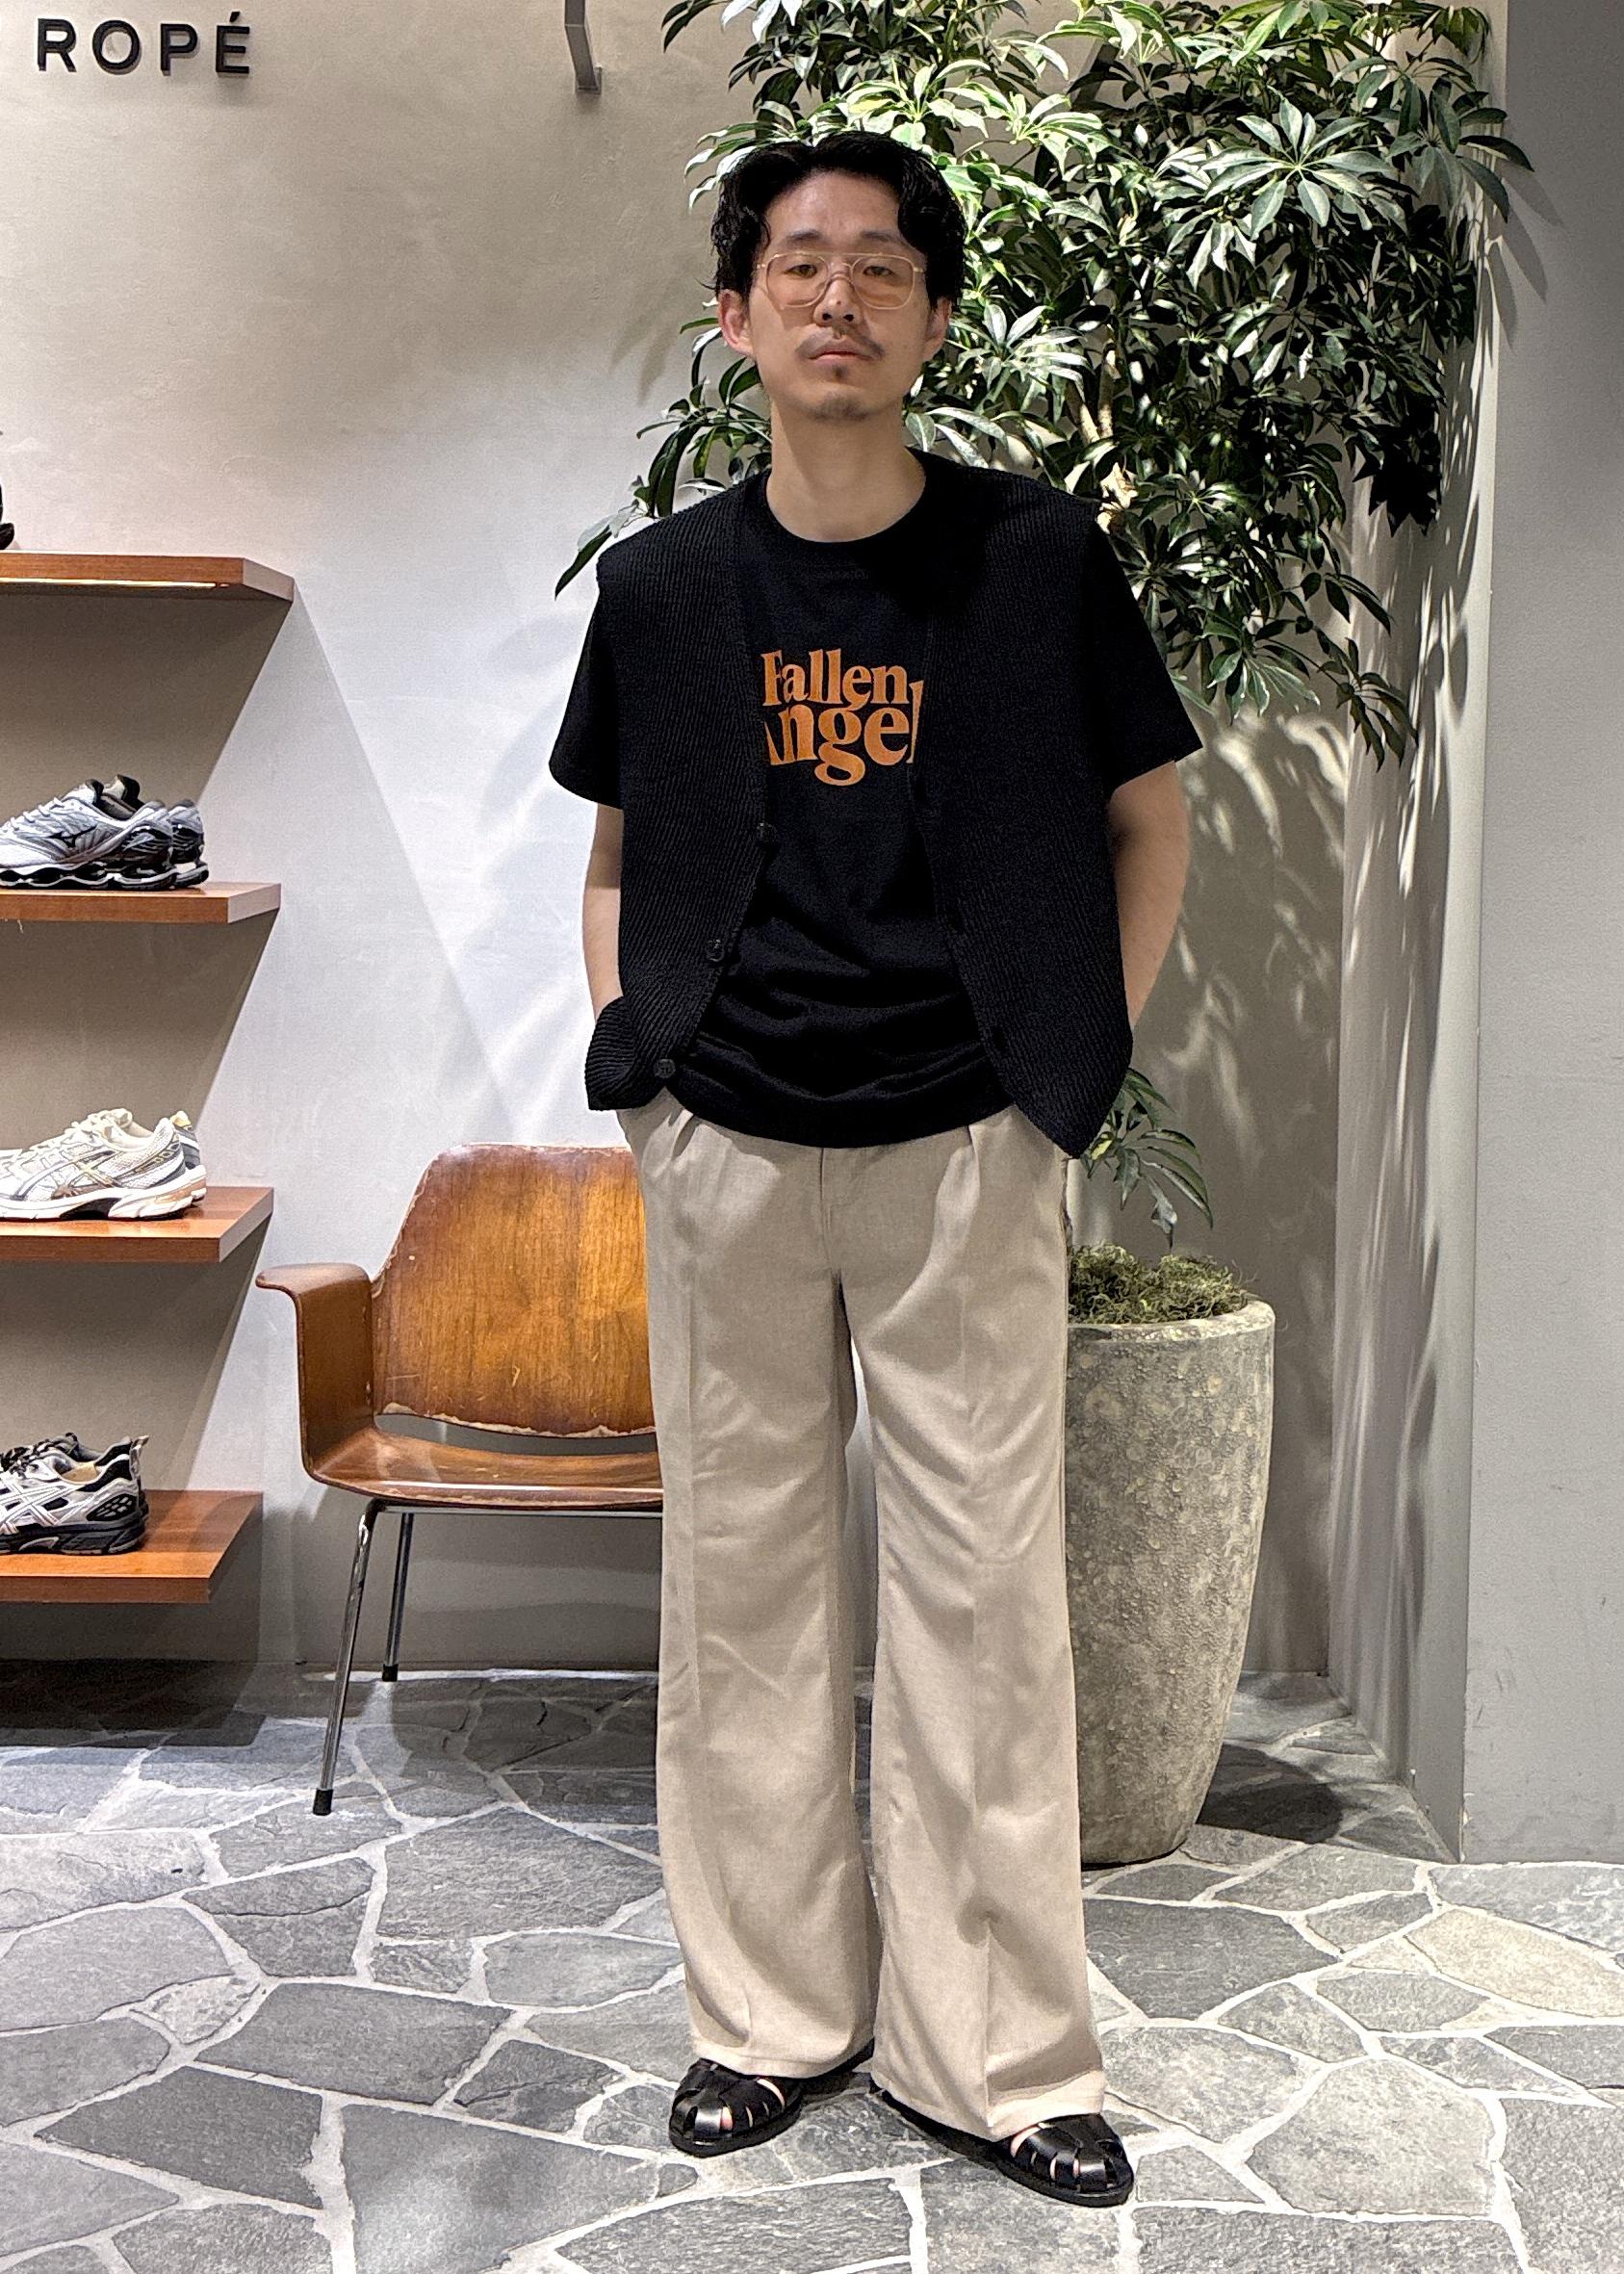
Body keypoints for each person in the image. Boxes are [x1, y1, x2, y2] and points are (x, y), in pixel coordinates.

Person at [548, 129, 1199, 2207]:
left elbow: (1150, 821)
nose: (839, 297)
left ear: (929, 318)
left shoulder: (1036, 561)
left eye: (883, 266)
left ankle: (998, 2052)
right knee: (740, 1596)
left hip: (965, 1142)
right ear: (736, 314)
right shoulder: (661, 590)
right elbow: (616, 861)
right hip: (729, 1140)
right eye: (800, 263)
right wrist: (644, 1075)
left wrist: (1065, 1072)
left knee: (984, 1603)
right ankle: (762, 2017)